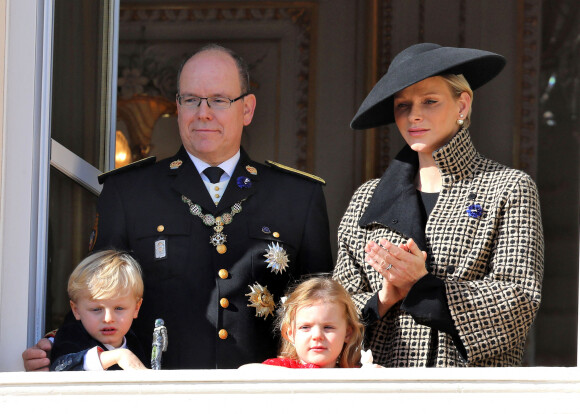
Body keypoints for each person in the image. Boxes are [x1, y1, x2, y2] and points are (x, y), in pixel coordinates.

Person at [23, 44, 333, 370]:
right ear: (178, 107)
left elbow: (326, 309)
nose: (203, 112)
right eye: (191, 100)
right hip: (156, 395)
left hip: (265, 396)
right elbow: (96, 297)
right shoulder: (129, 192)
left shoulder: (298, 196)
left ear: (247, 109)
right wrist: (62, 354)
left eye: (219, 100)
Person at [333, 43, 544, 367]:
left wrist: (424, 287)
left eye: (429, 101)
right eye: (403, 105)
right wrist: (385, 298)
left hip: (472, 391)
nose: (414, 115)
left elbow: (518, 301)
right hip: (383, 389)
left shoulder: (509, 188)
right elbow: (334, 307)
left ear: (463, 104)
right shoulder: (367, 198)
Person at [50, 250, 147, 371]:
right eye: (96, 309)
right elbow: (60, 367)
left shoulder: (138, 341)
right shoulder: (71, 335)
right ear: (76, 310)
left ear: (136, 308)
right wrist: (117, 356)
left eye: (119, 308)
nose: (108, 318)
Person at [242, 276, 365, 369]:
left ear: (348, 333)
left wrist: (377, 376)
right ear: (290, 333)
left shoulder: (354, 374)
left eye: (328, 327)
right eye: (305, 327)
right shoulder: (279, 367)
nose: (317, 336)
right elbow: (247, 371)